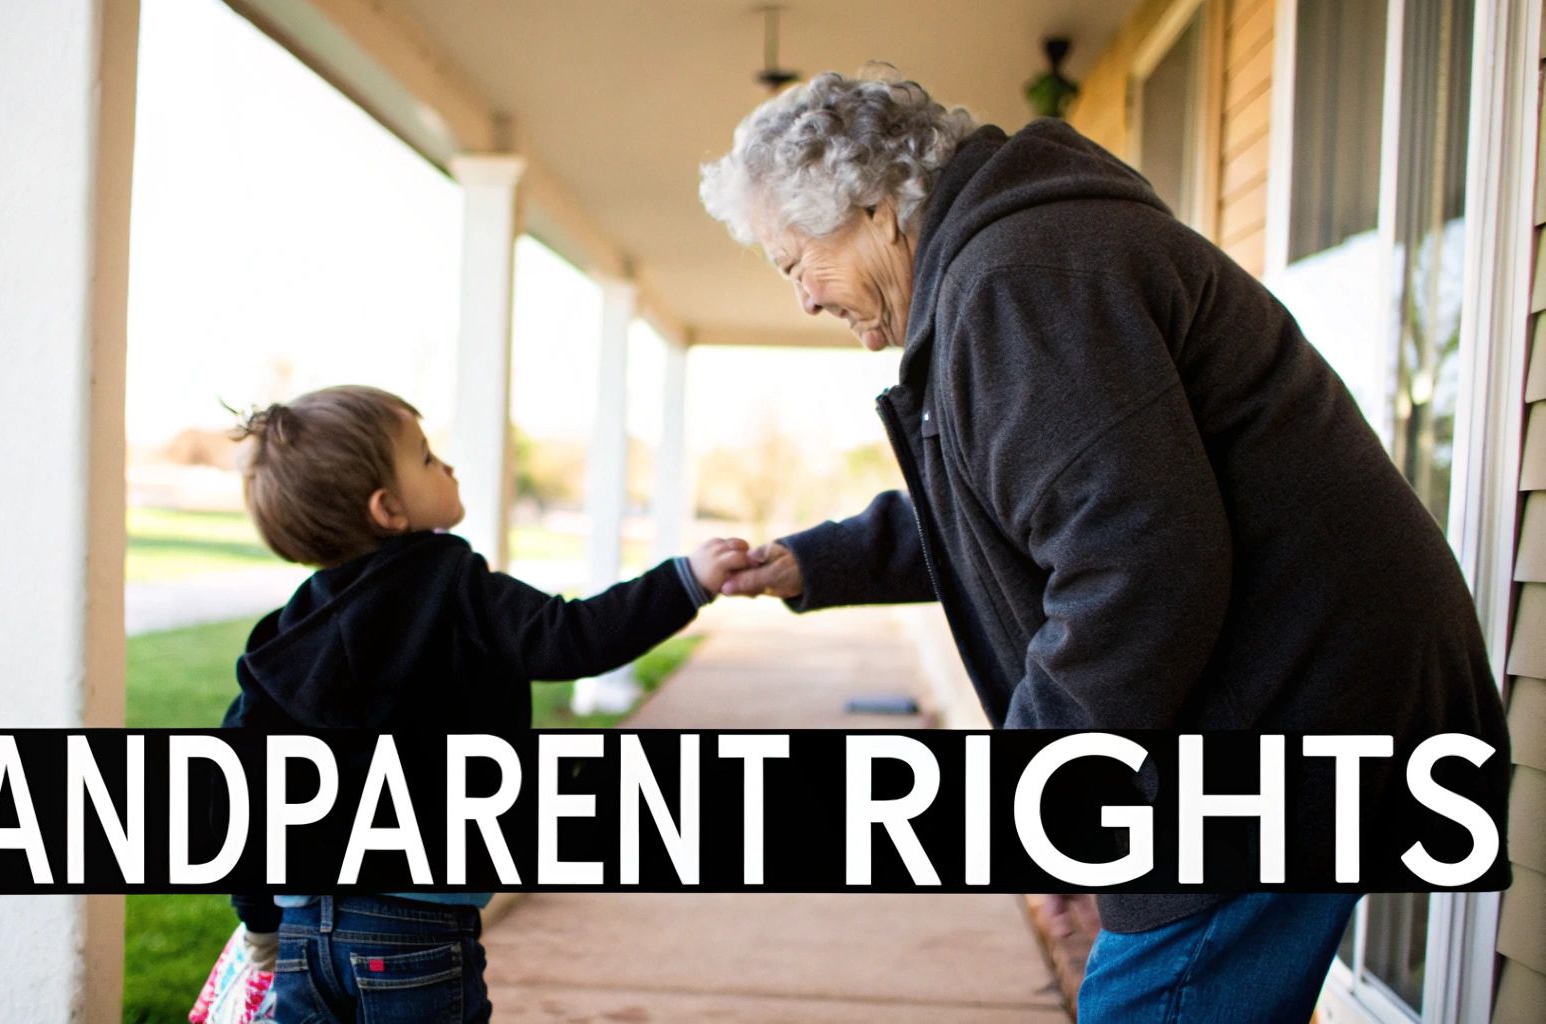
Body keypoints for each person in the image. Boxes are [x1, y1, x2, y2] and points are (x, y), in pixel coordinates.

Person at [699, 71, 1510, 1021]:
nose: (803, 298)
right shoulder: (1007, 265)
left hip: (1288, 715)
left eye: (797, 262)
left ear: (875, 210)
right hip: (1288, 701)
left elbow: (1134, 564)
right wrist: (815, 560)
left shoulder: (1016, 280)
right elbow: (1008, 501)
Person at [216, 385, 749, 1023]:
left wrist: (260, 923)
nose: (448, 467)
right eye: (426, 458)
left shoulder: (285, 634)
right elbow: (572, 637)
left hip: (304, 931)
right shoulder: (456, 587)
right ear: (388, 509)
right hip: (413, 928)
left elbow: (240, 780)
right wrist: (685, 580)